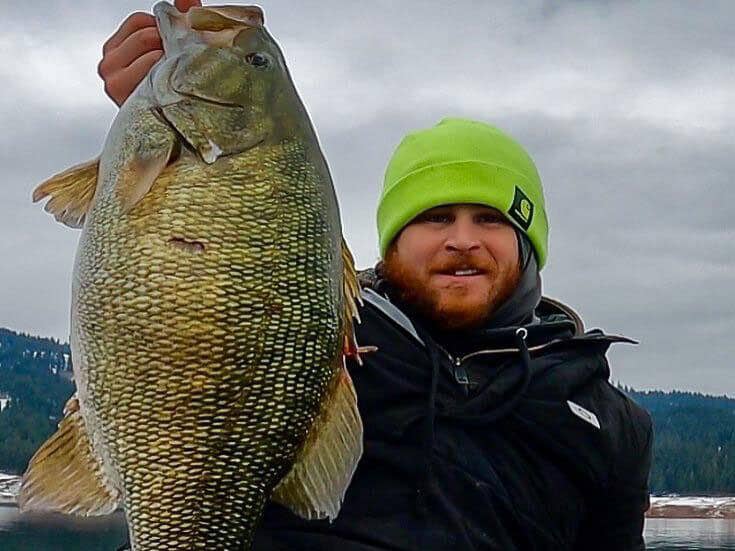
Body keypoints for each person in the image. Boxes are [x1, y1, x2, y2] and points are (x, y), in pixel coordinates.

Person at [103, 2, 653, 549]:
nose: (462, 239)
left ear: (528, 243)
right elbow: (189, 287)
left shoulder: (609, 422)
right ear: (392, 242)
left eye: (489, 218)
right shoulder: (320, 339)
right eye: (435, 217)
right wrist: (147, 111)